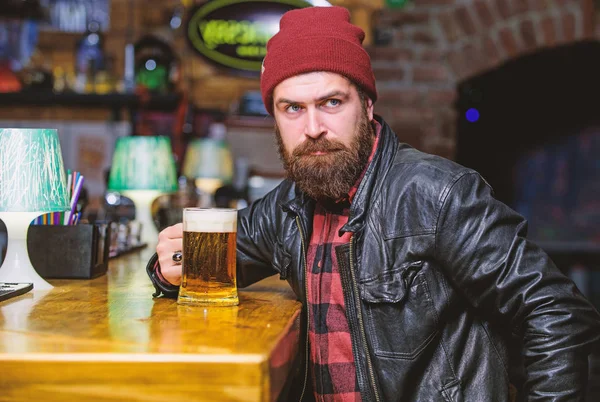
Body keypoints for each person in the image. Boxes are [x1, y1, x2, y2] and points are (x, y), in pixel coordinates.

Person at [146, 6, 600, 401]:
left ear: (365, 104)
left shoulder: (437, 193)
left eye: (331, 102)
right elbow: (206, 260)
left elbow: (556, 312)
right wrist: (169, 266)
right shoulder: (287, 208)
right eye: (292, 108)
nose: (313, 127)